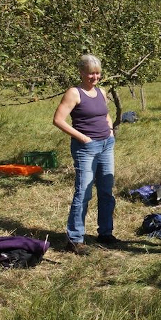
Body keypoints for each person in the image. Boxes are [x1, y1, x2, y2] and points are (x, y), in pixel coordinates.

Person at [53, 54, 117, 255]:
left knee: (106, 191)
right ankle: (75, 239)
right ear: (81, 73)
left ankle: (105, 232)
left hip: (106, 145)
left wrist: (111, 130)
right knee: (84, 192)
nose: (94, 77)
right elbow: (58, 120)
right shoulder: (74, 92)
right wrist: (83, 138)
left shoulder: (101, 91)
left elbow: (104, 112)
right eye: (90, 73)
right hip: (86, 148)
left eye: (97, 73)